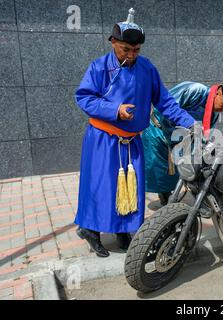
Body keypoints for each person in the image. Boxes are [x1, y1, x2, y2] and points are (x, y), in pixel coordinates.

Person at [74, 8, 195, 257]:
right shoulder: (99, 68)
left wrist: (189, 122)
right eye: (125, 50)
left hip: (132, 142)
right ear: (113, 42)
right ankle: (91, 231)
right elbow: (83, 97)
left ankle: (123, 232)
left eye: (136, 50)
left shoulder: (146, 69)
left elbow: (165, 101)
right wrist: (115, 110)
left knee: (131, 189)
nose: (131, 55)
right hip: (103, 139)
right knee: (100, 186)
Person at [143, 82, 223, 205]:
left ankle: (199, 199)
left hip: (183, 139)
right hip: (159, 130)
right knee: (160, 170)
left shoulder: (213, 113)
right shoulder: (195, 91)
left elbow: (205, 133)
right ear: (218, 93)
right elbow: (167, 107)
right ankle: (164, 195)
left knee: (191, 167)